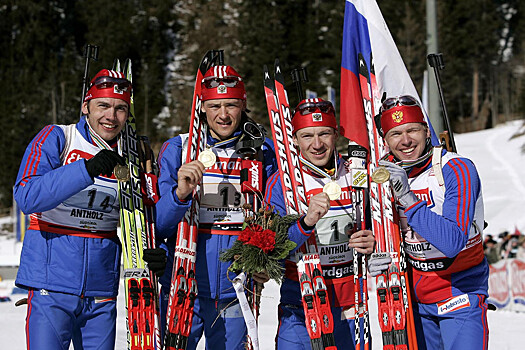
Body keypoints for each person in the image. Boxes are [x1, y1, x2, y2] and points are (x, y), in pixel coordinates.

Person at [154, 64, 278, 349]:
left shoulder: (264, 151)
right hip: (185, 284)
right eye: (215, 106)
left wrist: (269, 261)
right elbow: (159, 224)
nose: (223, 114)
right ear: (202, 108)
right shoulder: (178, 148)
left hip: (237, 288)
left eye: (231, 105)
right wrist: (180, 195)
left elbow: (278, 214)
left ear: (243, 104)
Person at [14, 69, 131, 349]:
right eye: (102, 105)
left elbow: (147, 220)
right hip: (51, 286)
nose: (110, 116)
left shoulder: (133, 154)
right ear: (85, 106)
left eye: (120, 108)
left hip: (101, 291)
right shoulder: (58, 138)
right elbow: (28, 196)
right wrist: (85, 170)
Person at [369, 95, 489, 350]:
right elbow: (379, 231)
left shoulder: (457, 168)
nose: (405, 140)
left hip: (459, 291)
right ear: (385, 140)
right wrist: (369, 247)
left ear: (426, 131)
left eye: (412, 130)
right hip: (413, 296)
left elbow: (452, 242)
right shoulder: (381, 175)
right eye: (395, 133)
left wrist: (407, 198)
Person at [264, 98, 375, 349]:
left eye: (324, 133)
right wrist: (306, 222)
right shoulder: (283, 183)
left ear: (336, 134)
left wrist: (372, 240)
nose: (317, 144)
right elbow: (274, 247)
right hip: (301, 302)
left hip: (350, 301)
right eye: (307, 136)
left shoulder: (358, 172)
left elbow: (381, 224)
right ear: (293, 139)